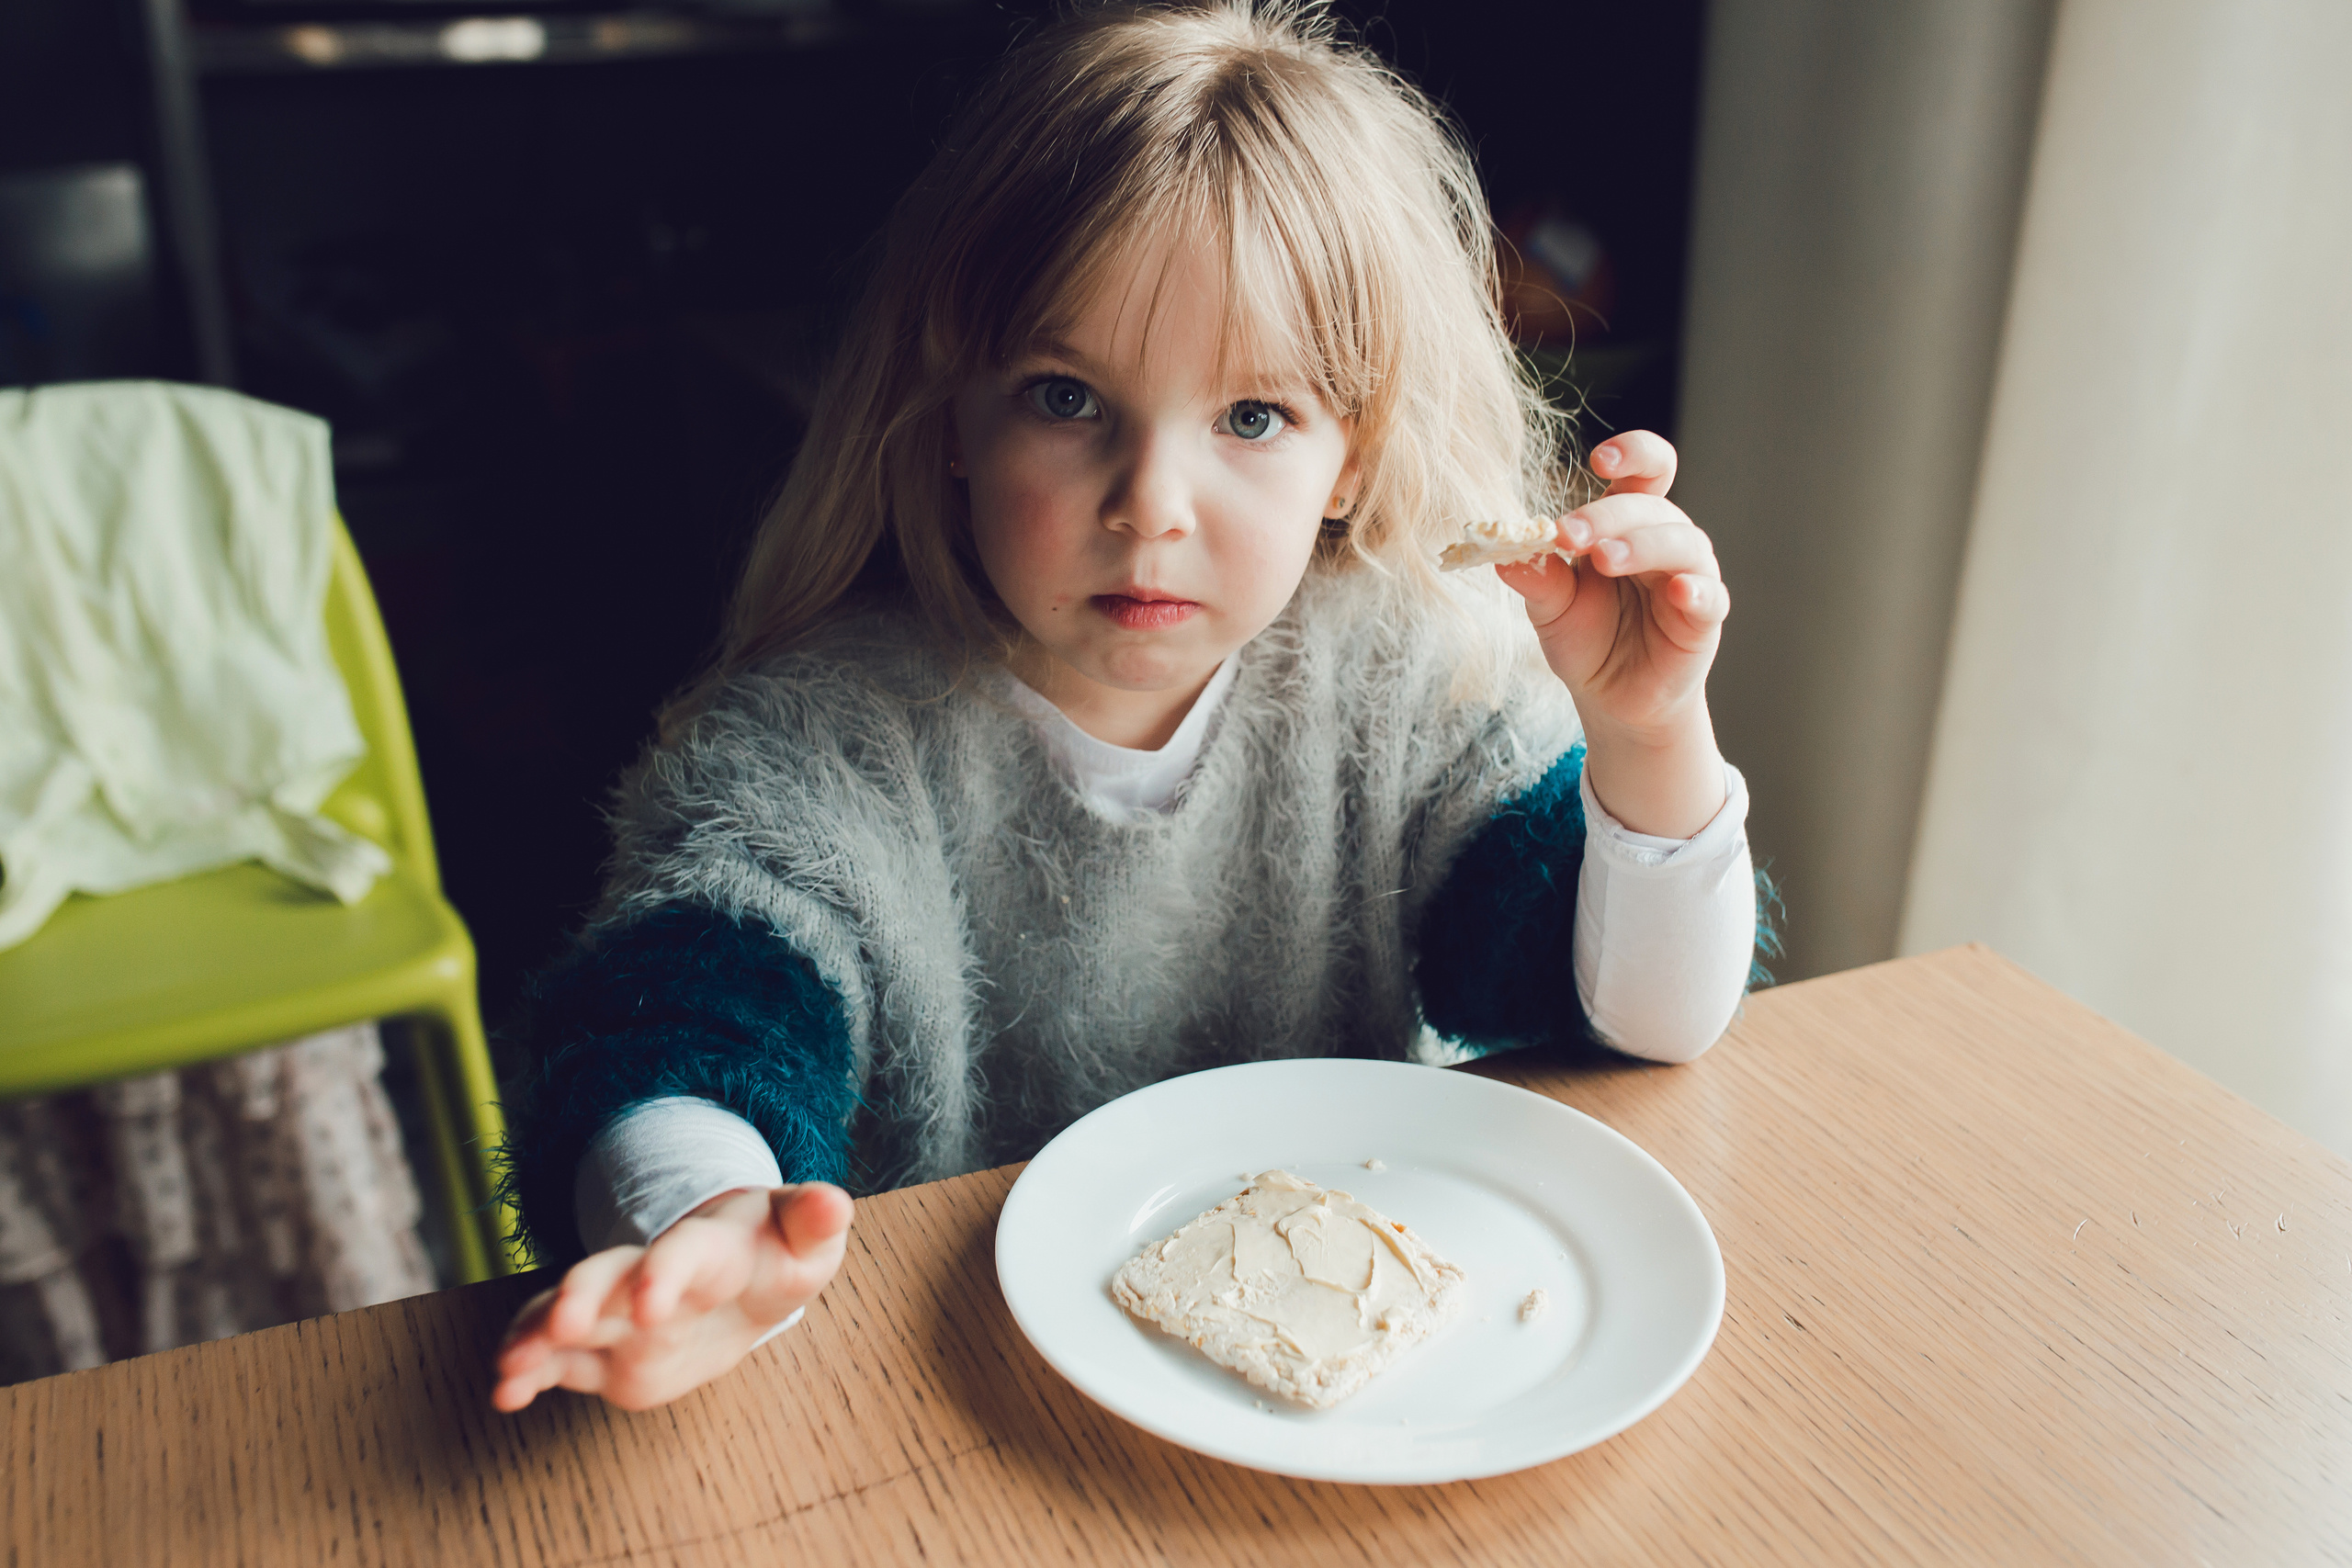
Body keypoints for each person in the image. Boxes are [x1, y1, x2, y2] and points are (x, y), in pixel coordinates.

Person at [490, 0, 1760, 1416]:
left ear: (1353, 454)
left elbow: (1640, 1025)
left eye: (1253, 418)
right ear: (951, 418)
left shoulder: (1419, 675)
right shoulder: (822, 742)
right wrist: (702, 1231)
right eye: (1065, 396)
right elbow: (685, 1036)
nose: (1151, 506)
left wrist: (1651, 735)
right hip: (954, 1407)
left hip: (1335, 1411)